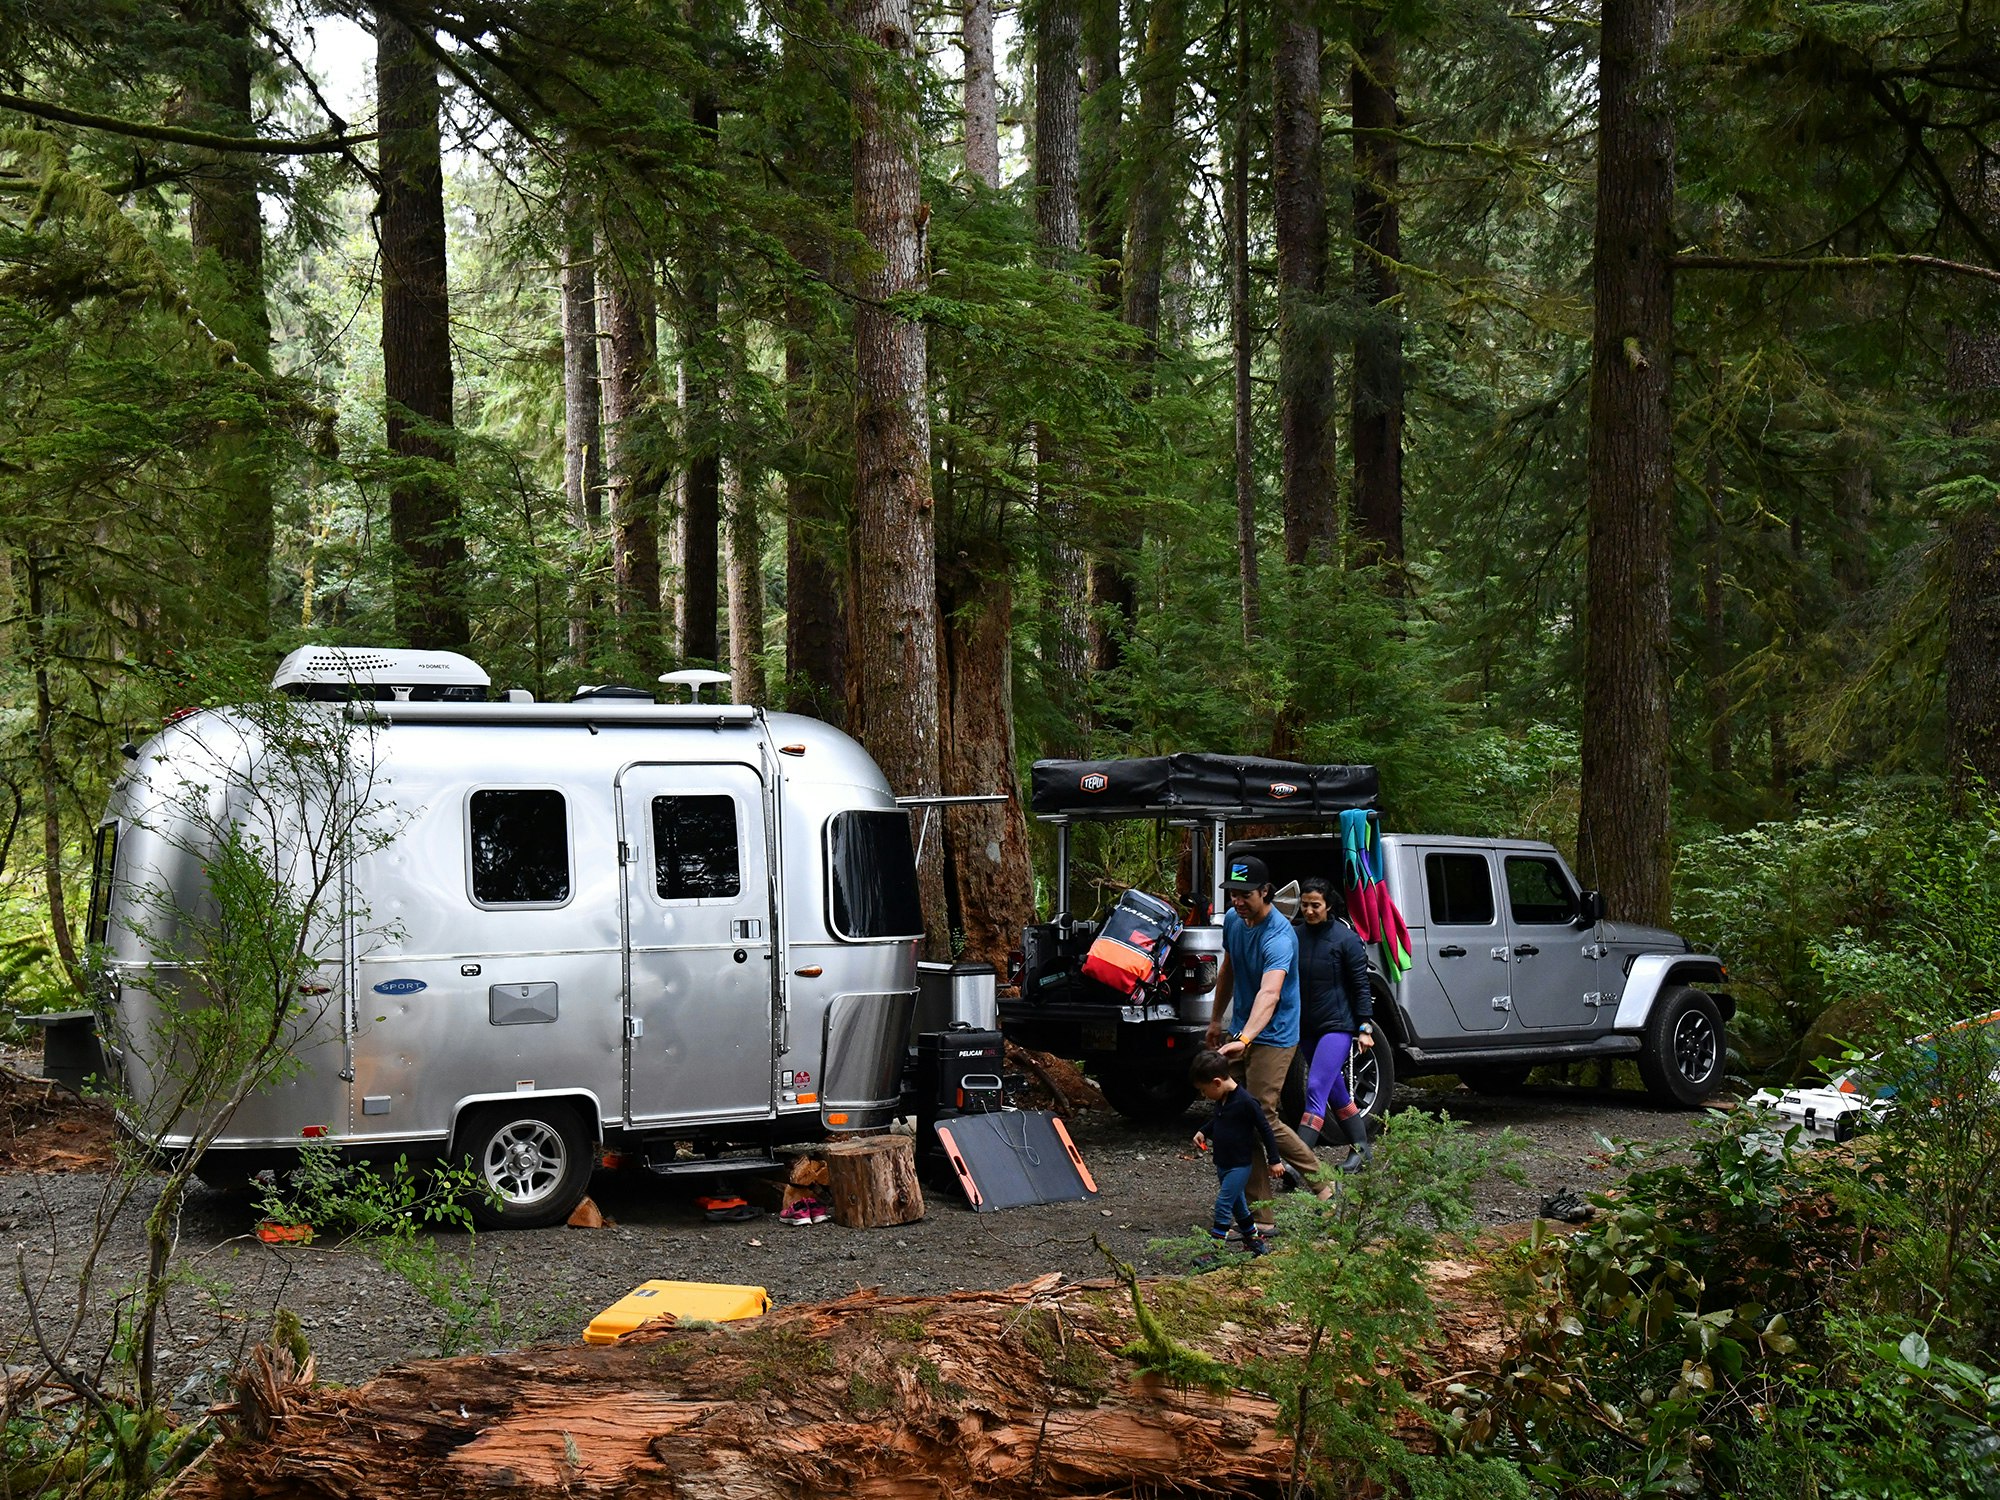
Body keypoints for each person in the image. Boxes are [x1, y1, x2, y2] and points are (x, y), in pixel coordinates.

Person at [1205, 853, 1321, 1225]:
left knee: (1261, 1113)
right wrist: (1215, 1020)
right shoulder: (1235, 925)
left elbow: (1270, 994)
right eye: (1232, 894)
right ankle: (1262, 1215)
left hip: (1275, 1033)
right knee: (1236, 1114)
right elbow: (1229, 969)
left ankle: (1322, 1182)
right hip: (1242, 1028)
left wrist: (1247, 1037)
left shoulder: (1280, 937)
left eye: (1245, 894)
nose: (1238, 901)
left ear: (1266, 892)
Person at [1293, 876, 1376, 1171]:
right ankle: (1362, 1149)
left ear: (1328, 905)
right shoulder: (1295, 936)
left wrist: (1365, 1027)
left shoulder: (1346, 939)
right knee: (1336, 1090)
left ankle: (1298, 1161)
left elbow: (1361, 985)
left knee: (1315, 1088)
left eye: (1316, 905)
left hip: (1337, 1026)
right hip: (1307, 1028)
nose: (1310, 911)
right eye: (1304, 905)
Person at [1189, 1048, 1281, 1255]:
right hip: (1223, 1163)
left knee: (1223, 1204)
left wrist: (1274, 1160)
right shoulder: (1223, 1100)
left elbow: (1265, 1130)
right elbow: (1220, 1120)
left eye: (1204, 1090)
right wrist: (1203, 1131)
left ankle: (1215, 1252)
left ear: (1217, 1082)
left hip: (1239, 1165)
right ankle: (1255, 1242)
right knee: (1239, 1207)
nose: (1204, 1096)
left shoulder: (1246, 1102)